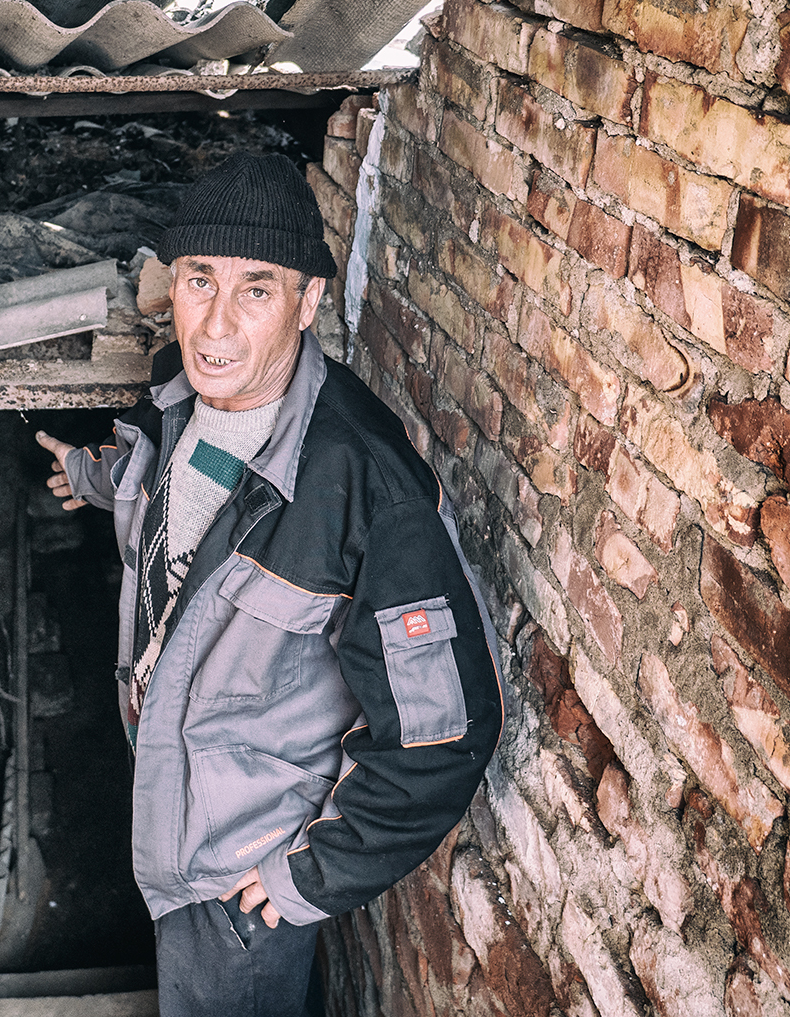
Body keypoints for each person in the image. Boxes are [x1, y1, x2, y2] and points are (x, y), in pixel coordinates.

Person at [35, 152, 503, 1017]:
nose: (214, 324)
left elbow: (444, 734)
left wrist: (311, 877)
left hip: (238, 879)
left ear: (308, 299)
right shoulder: (182, 397)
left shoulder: (365, 491)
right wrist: (94, 477)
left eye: (256, 289)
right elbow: (172, 494)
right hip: (170, 791)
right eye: (198, 280)